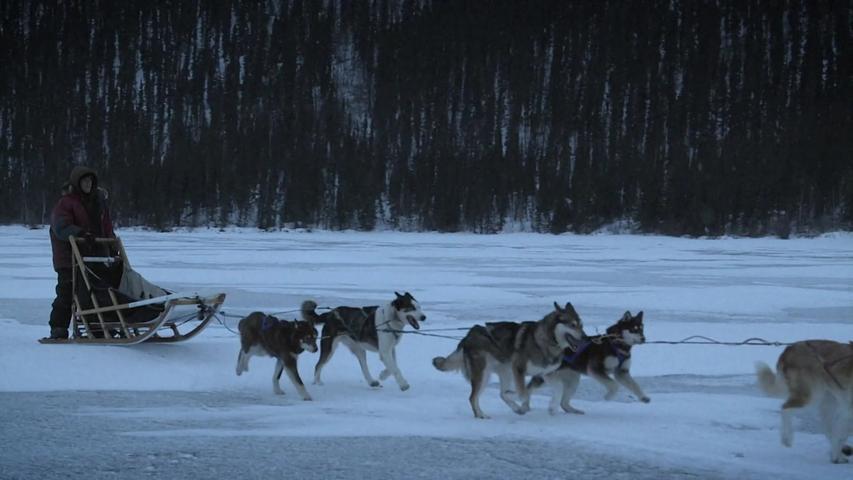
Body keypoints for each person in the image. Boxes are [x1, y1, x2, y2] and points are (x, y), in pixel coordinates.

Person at [45, 166, 115, 340]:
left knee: (97, 292)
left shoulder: (99, 203)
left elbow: (106, 227)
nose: (88, 184)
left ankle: (98, 326)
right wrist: (80, 233)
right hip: (69, 257)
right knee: (67, 292)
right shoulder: (66, 203)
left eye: (90, 181)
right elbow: (61, 227)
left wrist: (113, 246)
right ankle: (59, 328)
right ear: (77, 183)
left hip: (95, 256)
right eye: (84, 181)